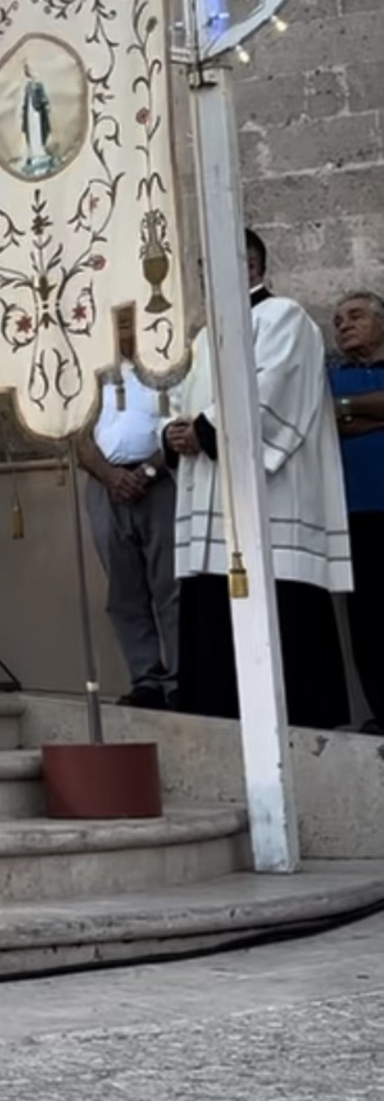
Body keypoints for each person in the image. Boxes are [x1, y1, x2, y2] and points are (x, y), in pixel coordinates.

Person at [166, 228, 350, 728]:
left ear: (250, 266)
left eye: (215, 268)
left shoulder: (283, 317)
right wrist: (174, 432)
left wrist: (204, 429)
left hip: (269, 504)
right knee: (212, 624)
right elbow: (177, 401)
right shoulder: (204, 337)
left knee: (280, 629)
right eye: (203, 272)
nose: (206, 280)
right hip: (211, 498)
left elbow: (272, 392)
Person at [75, 308, 179, 708]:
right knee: (124, 589)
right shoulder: (92, 374)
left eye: (129, 324)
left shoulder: (167, 370)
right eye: (116, 325)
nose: (123, 333)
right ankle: (146, 678)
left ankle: (179, 679)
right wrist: (111, 477)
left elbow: (179, 422)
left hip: (160, 482)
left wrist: (149, 470)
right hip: (106, 485)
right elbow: (78, 436)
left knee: (170, 585)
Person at [329, 288, 384, 731]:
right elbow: (324, 420)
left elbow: (342, 418)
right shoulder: (331, 375)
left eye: (355, 316)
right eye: (338, 321)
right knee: (367, 619)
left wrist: (349, 414)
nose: (344, 325)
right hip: (355, 513)